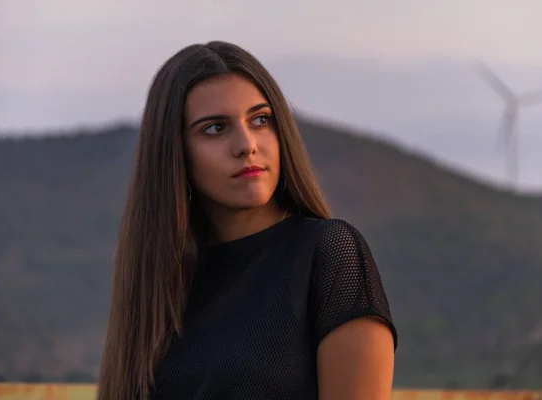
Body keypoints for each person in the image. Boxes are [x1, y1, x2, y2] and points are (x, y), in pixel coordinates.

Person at [97, 40, 398, 400]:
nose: (246, 144)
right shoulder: (159, 286)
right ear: (174, 153)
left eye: (260, 120)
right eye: (214, 128)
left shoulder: (328, 256)